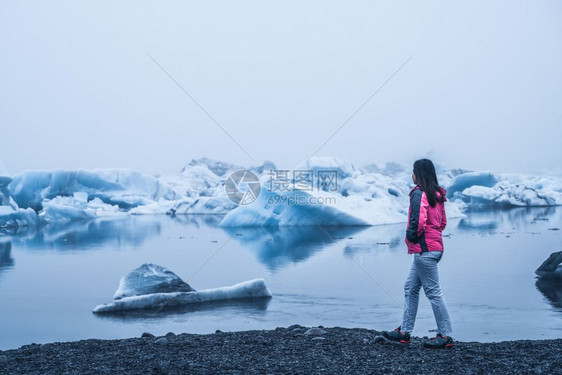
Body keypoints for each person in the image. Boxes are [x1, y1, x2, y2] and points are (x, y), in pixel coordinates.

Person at [383, 159, 454, 348]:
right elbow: (442, 223)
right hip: (435, 247)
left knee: (433, 293)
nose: (411, 175)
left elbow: (418, 219)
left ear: (419, 174)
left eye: (413, 171)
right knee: (410, 288)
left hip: (425, 249)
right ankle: (405, 332)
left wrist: (411, 235)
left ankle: (446, 335)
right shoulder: (438, 195)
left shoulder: (418, 193)